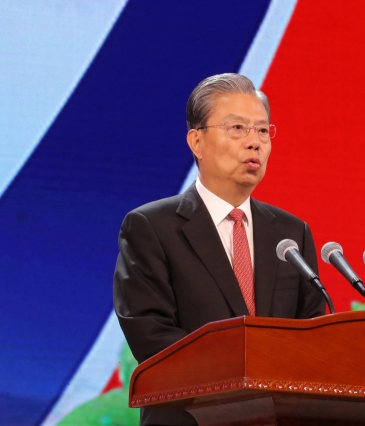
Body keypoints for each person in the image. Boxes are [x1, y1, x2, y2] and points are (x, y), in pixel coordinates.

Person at [113, 73, 325, 426]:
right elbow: (152, 335)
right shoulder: (151, 227)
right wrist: (244, 387)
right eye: (238, 128)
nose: (254, 143)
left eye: (262, 130)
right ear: (197, 141)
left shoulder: (291, 234)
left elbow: (313, 331)